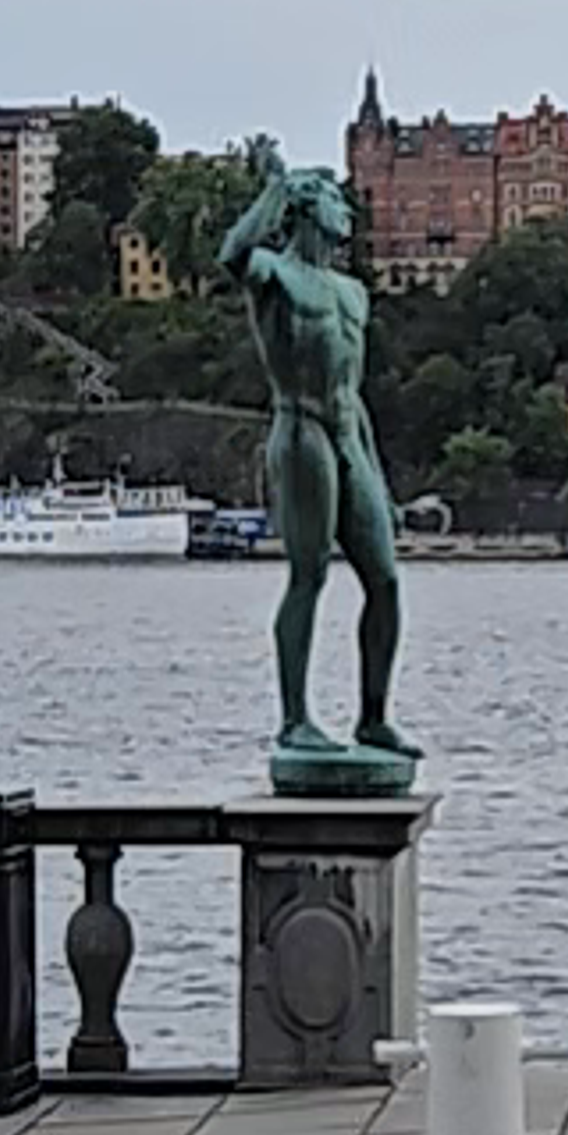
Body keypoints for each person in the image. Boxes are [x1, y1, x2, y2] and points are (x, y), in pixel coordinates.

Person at [214, 159, 414, 774]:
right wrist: (275, 189)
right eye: (334, 199)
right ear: (307, 208)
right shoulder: (274, 274)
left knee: (386, 581)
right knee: (309, 575)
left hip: (349, 435)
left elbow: (355, 393)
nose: (346, 210)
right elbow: (232, 254)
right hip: (300, 429)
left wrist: (382, 483)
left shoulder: (354, 293)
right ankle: (295, 718)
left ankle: (373, 716)